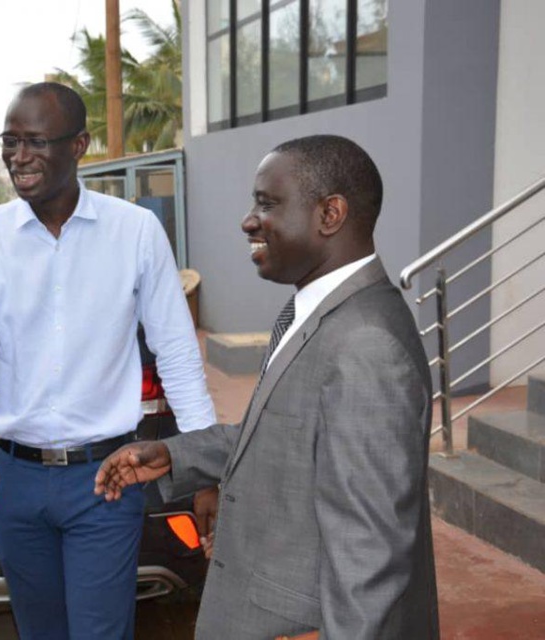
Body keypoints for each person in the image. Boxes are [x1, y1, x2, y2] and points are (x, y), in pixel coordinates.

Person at [95, 135, 439, 639]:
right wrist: (175, 455)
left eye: (267, 203)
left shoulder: (367, 343)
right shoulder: (314, 313)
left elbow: (370, 555)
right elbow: (290, 436)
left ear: (330, 214)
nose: (248, 220)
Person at [0, 82, 216, 639]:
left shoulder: (135, 232)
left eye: (35, 141)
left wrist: (204, 468)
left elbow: (178, 354)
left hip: (107, 479)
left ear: (79, 145)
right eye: (10, 142)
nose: (19, 157)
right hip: (11, 481)